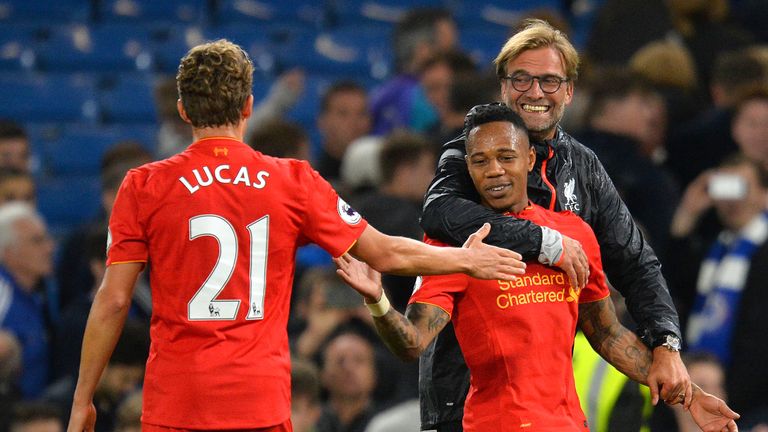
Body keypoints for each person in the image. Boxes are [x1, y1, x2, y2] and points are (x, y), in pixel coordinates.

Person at [66, 39, 525, 432]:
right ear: (248, 106)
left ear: (184, 109)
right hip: (259, 401)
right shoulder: (292, 181)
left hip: (177, 401)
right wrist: (464, 260)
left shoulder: (144, 185)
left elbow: (114, 300)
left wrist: (83, 397)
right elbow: (384, 253)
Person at [336, 103, 739, 432]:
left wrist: (689, 395)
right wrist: (378, 302)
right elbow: (412, 343)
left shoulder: (574, 234)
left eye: (505, 157)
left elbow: (608, 334)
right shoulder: (456, 246)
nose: (493, 170)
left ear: (530, 159)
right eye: (480, 161)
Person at [418, 19, 690, 431]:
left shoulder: (583, 165)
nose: (535, 93)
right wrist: (545, 241)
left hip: (550, 410)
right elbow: (439, 212)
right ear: (504, 87)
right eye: (521, 79)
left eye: (549, 81)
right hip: (461, 395)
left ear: (569, 91)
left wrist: (666, 343)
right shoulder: (468, 152)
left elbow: (635, 262)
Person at [0, 202, 55, 399]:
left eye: (47, 238)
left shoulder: (40, 293)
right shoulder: (3, 294)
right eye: (37, 241)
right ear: (9, 252)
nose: (50, 248)